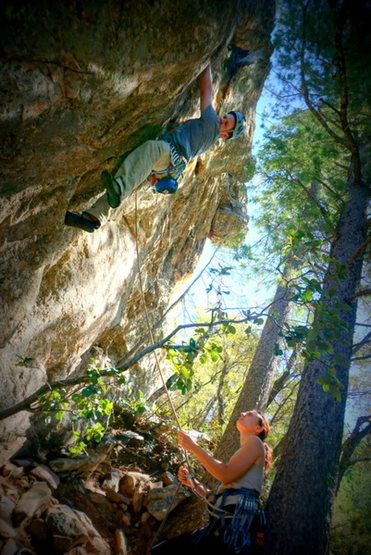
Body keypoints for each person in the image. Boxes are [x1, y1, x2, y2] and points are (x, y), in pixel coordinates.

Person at [65, 64, 246, 232]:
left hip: (169, 155)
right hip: (170, 169)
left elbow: (206, 90)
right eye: (225, 117)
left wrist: (206, 63)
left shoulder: (211, 123)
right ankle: (93, 217)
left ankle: (116, 191)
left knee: (151, 149)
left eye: (226, 123)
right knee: (134, 176)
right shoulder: (209, 140)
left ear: (225, 134)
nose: (222, 119)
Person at [151, 410, 272, 554]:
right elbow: (213, 499)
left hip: (232, 531)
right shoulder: (244, 456)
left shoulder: (255, 442)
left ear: (258, 428)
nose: (243, 413)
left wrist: (194, 447)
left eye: (250, 414)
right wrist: (191, 482)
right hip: (222, 529)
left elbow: (225, 474)